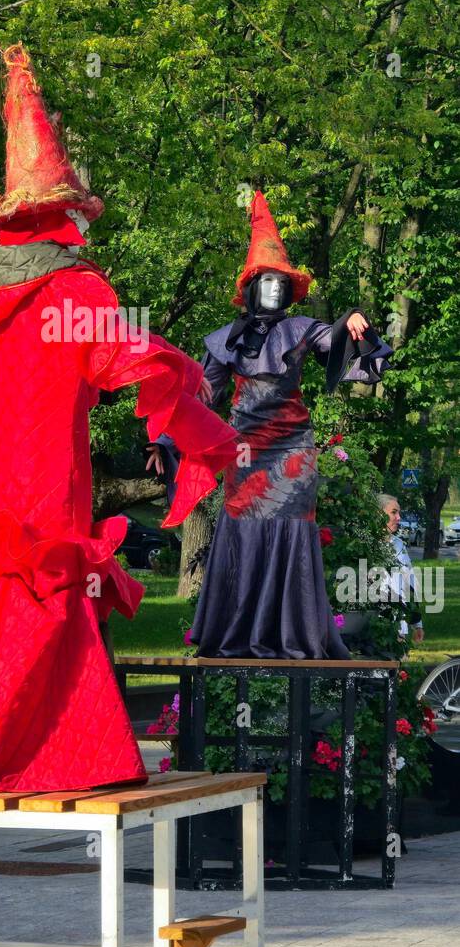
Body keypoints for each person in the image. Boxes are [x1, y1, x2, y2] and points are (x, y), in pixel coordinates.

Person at [0, 43, 237, 793]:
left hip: (7, 483)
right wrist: (185, 389)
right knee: (53, 579)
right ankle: (52, 751)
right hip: (55, 470)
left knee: (23, 576)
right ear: (61, 222)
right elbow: (119, 359)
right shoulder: (77, 293)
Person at [149, 191, 393, 659]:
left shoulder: (303, 329)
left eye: (281, 280)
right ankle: (241, 633)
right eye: (266, 280)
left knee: (292, 531)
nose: (274, 288)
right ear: (249, 286)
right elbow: (201, 395)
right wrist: (164, 437)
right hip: (245, 451)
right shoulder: (228, 340)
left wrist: (353, 321)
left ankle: (291, 635)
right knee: (242, 529)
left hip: (293, 452)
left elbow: (333, 337)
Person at [377, 493, 423, 645]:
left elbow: (410, 585)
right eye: (393, 512)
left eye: (399, 513)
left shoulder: (399, 544)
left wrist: (417, 624)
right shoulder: (365, 546)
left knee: (398, 667)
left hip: (399, 628)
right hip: (375, 626)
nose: (399, 518)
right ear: (379, 514)